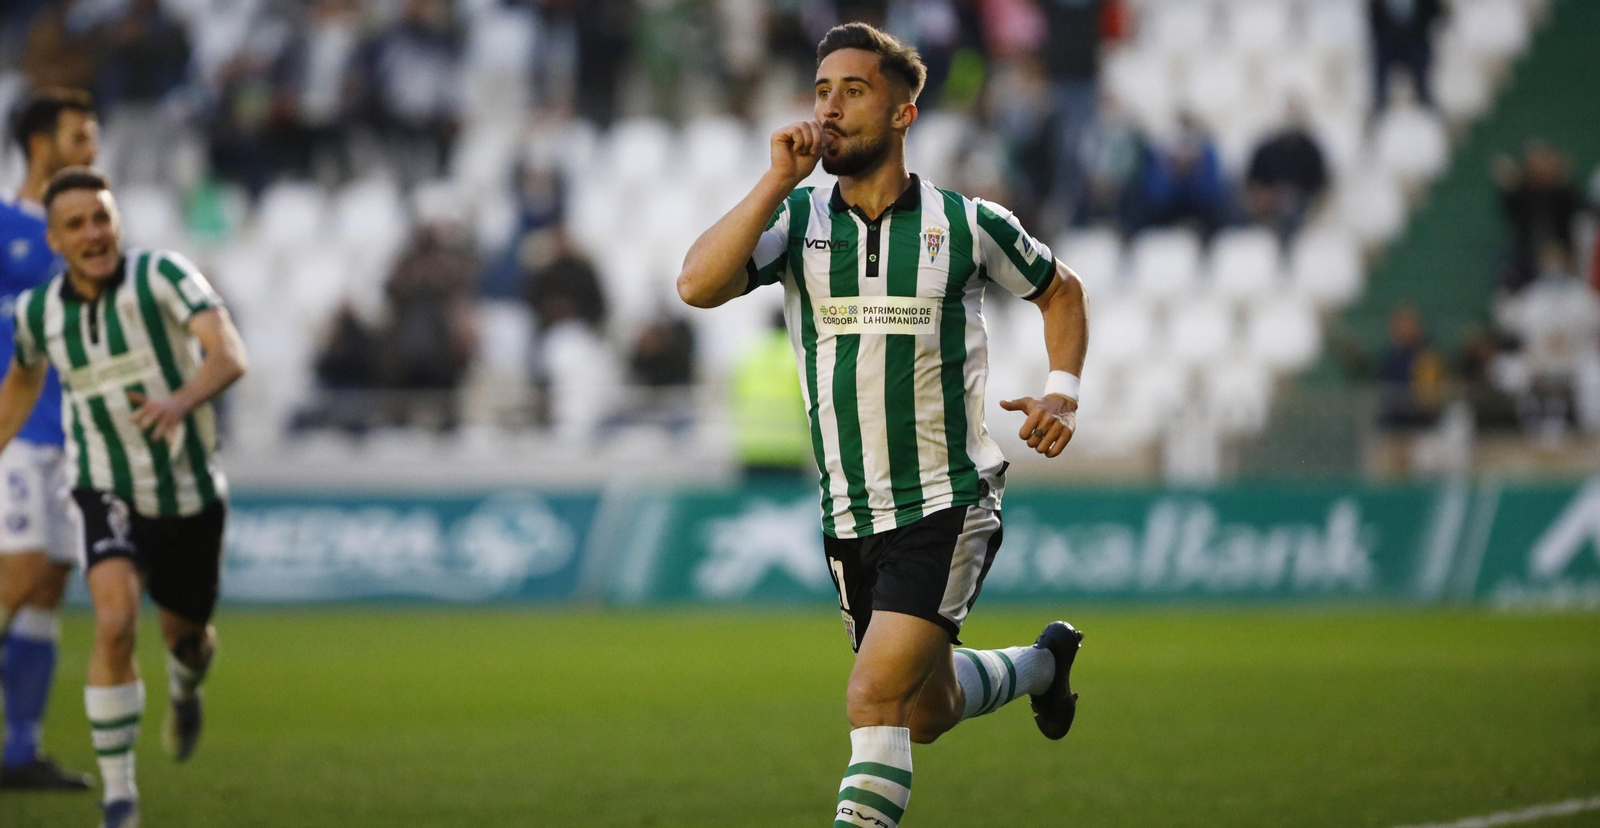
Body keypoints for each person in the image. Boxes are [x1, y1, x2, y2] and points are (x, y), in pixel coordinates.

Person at [676, 24, 1090, 828]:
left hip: (945, 500)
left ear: (903, 114)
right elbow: (697, 284)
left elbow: (1061, 290)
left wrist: (1062, 392)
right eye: (822, 90)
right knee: (922, 712)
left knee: (872, 697)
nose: (829, 107)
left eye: (853, 92)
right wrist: (773, 182)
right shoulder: (797, 220)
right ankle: (1044, 665)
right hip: (847, 515)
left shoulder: (966, 224)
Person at [0, 166, 249, 828]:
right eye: (77, 224)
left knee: (187, 638)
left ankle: (185, 687)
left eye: (102, 218)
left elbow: (228, 353)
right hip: (104, 486)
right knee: (113, 621)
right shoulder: (38, 313)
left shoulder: (163, 275)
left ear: (117, 222)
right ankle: (120, 800)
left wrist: (181, 399)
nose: (93, 233)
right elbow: (21, 384)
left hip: (190, 493)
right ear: (54, 241)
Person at [0, 89, 100, 792]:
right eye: (78, 137)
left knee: (48, 587)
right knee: (17, 576)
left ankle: (20, 751)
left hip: (73, 434)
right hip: (15, 434)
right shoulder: (6, 225)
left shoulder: (88, 233)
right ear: (41, 145)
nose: (91, 147)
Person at [1244, 98, 1329, 243]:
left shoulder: (1310, 150)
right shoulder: (1265, 149)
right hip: (1266, 207)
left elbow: (1319, 186)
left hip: (1301, 207)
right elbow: (1252, 183)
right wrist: (1266, 197)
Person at [1369, 0, 1446, 112]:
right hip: (1387, 45)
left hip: (1416, 43)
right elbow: (1373, 17)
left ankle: (1424, 100)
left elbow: (1437, 13)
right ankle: (1379, 106)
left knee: (1423, 73)